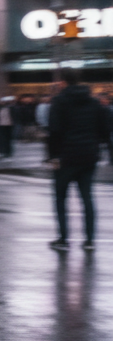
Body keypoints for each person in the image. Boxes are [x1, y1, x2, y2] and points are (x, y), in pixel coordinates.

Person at [48, 68, 111, 251]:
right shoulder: (94, 102)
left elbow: (54, 131)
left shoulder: (59, 101)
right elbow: (105, 129)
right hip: (89, 155)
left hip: (66, 156)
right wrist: (98, 146)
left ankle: (63, 239)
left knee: (61, 198)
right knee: (87, 197)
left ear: (63, 82)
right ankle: (90, 240)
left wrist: (53, 156)